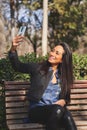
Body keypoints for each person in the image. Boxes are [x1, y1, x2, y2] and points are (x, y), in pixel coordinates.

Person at [8, 35, 77, 130]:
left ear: (62, 59)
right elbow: (18, 66)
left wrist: (64, 100)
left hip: (56, 111)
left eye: (57, 53)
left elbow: (66, 97)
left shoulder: (63, 77)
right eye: (52, 51)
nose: (52, 54)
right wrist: (13, 49)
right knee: (58, 110)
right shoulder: (38, 68)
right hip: (37, 110)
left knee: (67, 116)